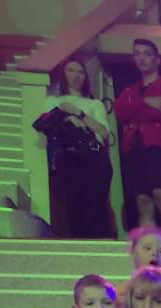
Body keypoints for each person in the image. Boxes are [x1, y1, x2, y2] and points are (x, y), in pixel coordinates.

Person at [112, 38, 161, 234]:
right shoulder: (130, 91)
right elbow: (120, 113)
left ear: (157, 60)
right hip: (135, 148)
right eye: (137, 54)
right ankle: (148, 248)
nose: (141, 58)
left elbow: (159, 112)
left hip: (159, 147)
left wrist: (136, 109)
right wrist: (146, 101)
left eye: (147, 54)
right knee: (143, 201)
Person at [40, 56, 114, 238]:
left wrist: (78, 114)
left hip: (95, 159)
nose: (76, 75)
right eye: (71, 70)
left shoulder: (95, 103)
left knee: (97, 208)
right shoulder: (53, 101)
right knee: (74, 208)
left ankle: (100, 246)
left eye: (81, 72)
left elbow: (104, 132)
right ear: (63, 75)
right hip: (68, 158)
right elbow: (46, 127)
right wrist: (67, 118)